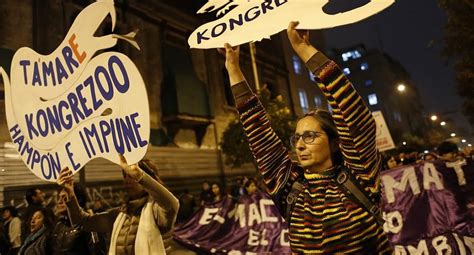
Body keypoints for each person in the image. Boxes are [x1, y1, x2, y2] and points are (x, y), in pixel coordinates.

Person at [220, 21, 392, 253]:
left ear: (334, 142)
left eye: (310, 136)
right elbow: (258, 131)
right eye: (297, 138)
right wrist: (233, 69)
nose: (299, 145)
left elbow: (352, 115)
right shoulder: (290, 188)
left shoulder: (359, 176)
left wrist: (303, 49)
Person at [57, 155, 179, 254]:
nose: (126, 179)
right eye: (125, 175)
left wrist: (139, 175)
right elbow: (82, 222)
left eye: (130, 175)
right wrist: (70, 193)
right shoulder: (120, 214)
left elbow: (172, 204)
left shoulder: (156, 211)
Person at [52, 187, 96, 255]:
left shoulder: (89, 223)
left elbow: (97, 251)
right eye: (59, 198)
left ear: (76, 200)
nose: (59, 202)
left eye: (64, 198)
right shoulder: (59, 225)